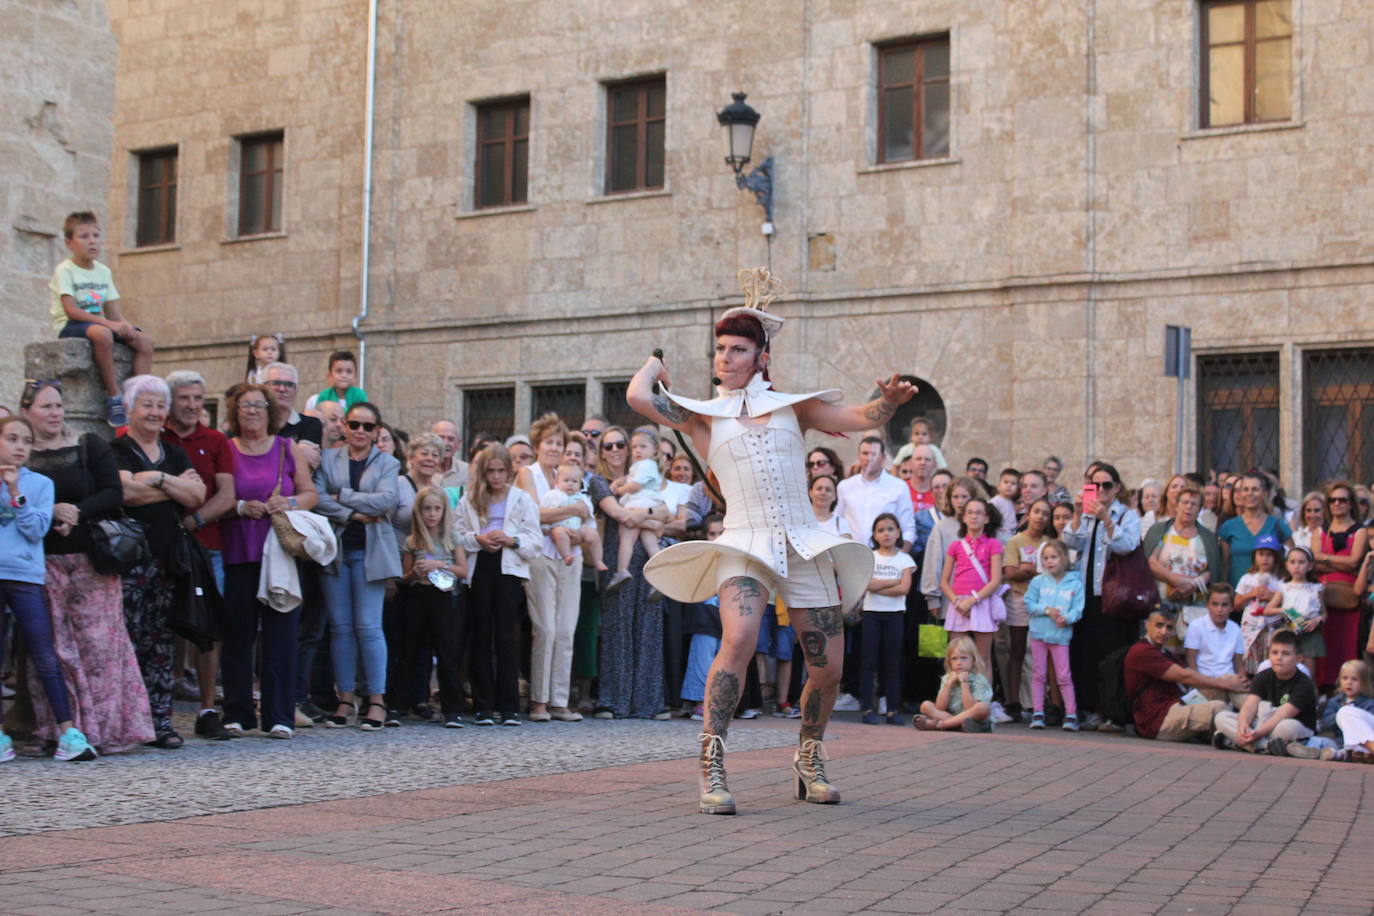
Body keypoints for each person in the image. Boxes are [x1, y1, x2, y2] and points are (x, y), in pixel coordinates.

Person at [628, 273, 911, 813]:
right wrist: (655, 363)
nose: (725, 359)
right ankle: (712, 764)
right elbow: (639, 396)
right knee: (738, 637)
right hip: (743, 544)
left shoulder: (792, 408)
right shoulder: (701, 417)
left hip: (805, 542)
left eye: (738, 350)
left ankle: (809, 757)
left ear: (761, 357)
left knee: (828, 665)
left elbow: (861, 417)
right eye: (720, 350)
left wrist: (888, 402)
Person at [21, 380, 152, 754]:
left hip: (90, 558)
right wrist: (50, 512)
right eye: (46, 407)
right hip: (41, 561)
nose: (55, 413)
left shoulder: (87, 443)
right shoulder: (22, 452)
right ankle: (63, 729)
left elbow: (113, 491)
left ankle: (108, 729)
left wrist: (78, 511)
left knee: (99, 646)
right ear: (27, 410)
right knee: (53, 648)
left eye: (59, 406)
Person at [111, 375, 207, 748]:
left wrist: (157, 478)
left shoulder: (174, 453)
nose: (154, 412)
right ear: (130, 409)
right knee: (127, 640)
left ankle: (159, 723)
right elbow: (124, 493)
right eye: (146, 404)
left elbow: (197, 495)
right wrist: (173, 490)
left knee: (160, 643)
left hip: (169, 560)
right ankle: (126, 721)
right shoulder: (115, 449)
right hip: (128, 559)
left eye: (159, 405)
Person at [219, 383, 318, 738]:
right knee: (237, 634)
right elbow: (215, 496)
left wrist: (287, 503)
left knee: (281, 634)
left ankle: (279, 714)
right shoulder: (226, 449)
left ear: (270, 412)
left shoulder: (285, 447)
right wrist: (241, 507)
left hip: (278, 551)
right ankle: (237, 712)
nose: (252, 412)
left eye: (259, 406)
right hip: (238, 549)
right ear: (235, 412)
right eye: (245, 406)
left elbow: (310, 494)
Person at [0, 415, 99, 763]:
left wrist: (15, 493)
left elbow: (35, 529)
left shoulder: (40, 483)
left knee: (45, 652)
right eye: (12, 439)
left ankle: (67, 732)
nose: (20, 447)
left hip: (26, 575)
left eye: (26, 441)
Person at [314, 402, 400, 731]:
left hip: (371, 551)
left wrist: (343, 497)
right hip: (335, 549)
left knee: (368, 627)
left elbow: (386, 500)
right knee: (340, 628)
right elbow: (318, 498)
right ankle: (345, 697)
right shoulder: (327, 459)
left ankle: (376, 699)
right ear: (345, 428)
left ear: (377, 431)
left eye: (367, 426)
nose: (360, 431)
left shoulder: (388, 462)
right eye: (354, 424)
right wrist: (353, 512)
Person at [161, 370, 236, 740]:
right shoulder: (153, 435)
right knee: (159, 625)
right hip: (161, 545)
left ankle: (207, 709)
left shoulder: (216, 440)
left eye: (197, 398)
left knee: (209, 627)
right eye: (184, 398)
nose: (191, 405)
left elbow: (227, 495)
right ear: (170, 401)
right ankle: (158, 706)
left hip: (208, 545)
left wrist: (196, 519)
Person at [454, 443, 541, 726]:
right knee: (481, 636)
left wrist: (511, 540)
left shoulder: (521, 499)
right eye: (490, 471)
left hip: (509, 568)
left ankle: (509, 705)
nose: (495, 477)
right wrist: (477, 539)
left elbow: (534, 542)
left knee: (506, 637)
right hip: (479, 566)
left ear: (509, 471)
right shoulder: (470, 498)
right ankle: (483, 705)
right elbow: (456, 534)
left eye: (500, 471)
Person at [585, 425, 668, 721]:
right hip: (615, 555)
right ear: (601, 452)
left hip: (644, 555)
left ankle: (648, 702)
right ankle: (612, 701)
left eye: (621, 444)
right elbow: (618, 513)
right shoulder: (598, 481)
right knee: (617, 628)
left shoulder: (643, 476)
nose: (616, 450)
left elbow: (665, 514)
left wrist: (651, 517)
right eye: (608, 446)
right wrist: (650, 518)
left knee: (649, 624)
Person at [48, 212, 155, 427]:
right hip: (72, 325)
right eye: (84, 236)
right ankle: (114, 395)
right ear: (69, 242)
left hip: (99, 323)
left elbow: (112, 311)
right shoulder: (65, 270)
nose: (92, 241)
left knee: (144, 342)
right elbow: (72, 311)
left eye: (96, 236)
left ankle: (137, 394)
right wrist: (110, 325)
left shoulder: (103, 272)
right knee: (103, 334)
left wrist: (124, 326)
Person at [516, 413, 589, 723]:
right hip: (541, 558)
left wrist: (578, 525)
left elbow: (588, 520)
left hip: (571, 556)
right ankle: (539, 700)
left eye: (559, 443)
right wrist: (572, 509)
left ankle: (560, 701)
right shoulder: (527, 474)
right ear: (537, 444)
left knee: (566, 629)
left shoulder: (569, 475)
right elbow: (536, 515)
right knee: (544, 628)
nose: (554, 448)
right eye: (549, 442)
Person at [1062, 462, 1142, 731]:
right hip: (1086, 594)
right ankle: (1089, 709)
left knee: (1114, 654)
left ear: (1117, 488)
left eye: (1107, 485)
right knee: (1086, 653)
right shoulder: (1085, 513)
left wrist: (1107, 519)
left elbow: (1126, 546)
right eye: (1095, 485)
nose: (1101, 490)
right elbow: (1071, 543)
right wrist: (1076, 513)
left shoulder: (1127, 515)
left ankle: (1114, 712)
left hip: (1115, 596)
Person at [400, 486, 468, 729]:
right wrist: (414, 573)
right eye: (427, 509)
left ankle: (452, 709)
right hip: (419, 595)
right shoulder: (412, 541)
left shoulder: (452, 537)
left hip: (445, 596)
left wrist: (440, 565)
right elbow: (405, 576)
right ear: (419, 512)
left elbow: (463, 570)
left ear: (444, 511)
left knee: (447, 652)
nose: (432, 514)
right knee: (413, 650)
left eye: (437, 508)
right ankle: (403, 703)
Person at [1124, 607, 1247, 741]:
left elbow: (1189, 674)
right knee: (1219, 707)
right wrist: (1228, 685)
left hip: (1178, 704)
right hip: (1158, 720)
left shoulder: (1165, 652)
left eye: (1169, 627)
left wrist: (1228, 683)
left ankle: (1259, 718)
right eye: (1159, 625)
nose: (1164, 632)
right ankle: (1251, 738)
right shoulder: (1141, 651)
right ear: (1147, 625)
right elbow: (1185, 676)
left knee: (1230, 678)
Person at [1212, 630, 1316, 755]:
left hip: (1286, 726)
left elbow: (1281, 715)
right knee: (1221, 717)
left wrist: (1258, 733)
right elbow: (1250, 705)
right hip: (1262, 724)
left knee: (1287, 727)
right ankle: (1266, 746)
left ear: (1298, 659)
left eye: (1286, 654)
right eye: (1274, 652)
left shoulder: (1304, 684)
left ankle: (1238, 743)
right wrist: (1243, 726)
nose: (1279, 658)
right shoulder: (1263, 676)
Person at [1001, 498, 1056, 720]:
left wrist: (1029, 569)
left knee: (1039, 654)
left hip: (1042, 601)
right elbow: (1011, 573)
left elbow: (1051, 572)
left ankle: (1036, 702)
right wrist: (1036, 571)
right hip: (1018, 599)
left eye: (1045, 513)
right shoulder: (1015, 541)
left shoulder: (1049, 542)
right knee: (1017, 651)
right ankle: (1013, 700)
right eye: (1036, 511)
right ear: (1028, 514)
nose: (1040, 517)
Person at [1145, 483, 1218, 643]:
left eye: (1194, 504)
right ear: (1176, 505)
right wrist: (1178, 582)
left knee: (1192, 650)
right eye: (1184, 502)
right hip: (1162, 603)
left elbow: (1213, 569)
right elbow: (1151, 561)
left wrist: (1192, 585)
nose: (1188, 507)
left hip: (1195, 606)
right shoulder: (1160, 530)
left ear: (1199, 509)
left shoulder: (1207, 537)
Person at [940, 497, 1004, 675]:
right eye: (970, 512)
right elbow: (944, 581)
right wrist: (957, 601)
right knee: (956, 657)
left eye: (979, 513)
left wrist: (973, 600)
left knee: (983, 659)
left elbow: (996, 579)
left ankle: (983, 701)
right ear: (964, 517)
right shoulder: (955, 546)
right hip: (958, 604)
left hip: (981, 602)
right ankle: (956, 700)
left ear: (987, 518)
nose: (974, 516)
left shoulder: (993, 544)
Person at [860, 513, 914, 725]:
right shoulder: (869, 557)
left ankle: (893, 709)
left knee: (892, 663)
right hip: (872, 614)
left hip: (895, 616)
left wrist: (879, 584)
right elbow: (867, 585)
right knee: (868, 662)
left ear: (898, 532)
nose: (886, 533)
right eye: (881, 530)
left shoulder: (905, 559)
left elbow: (904, 588)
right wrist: (893, 581)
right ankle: (867, 708)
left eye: (891, 529)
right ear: (874, 534)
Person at [1312, 480, 1368, 687]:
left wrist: (1324, 558)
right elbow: (1313, 562)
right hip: (1322, 603)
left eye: (1342, 500)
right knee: (1324, 652)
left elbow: (1355, 562)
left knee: (1346, 648)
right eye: (1333, 500)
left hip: (1348, 602)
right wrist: (1342, 565)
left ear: (1351, 503)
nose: (1337, 504)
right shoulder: (1320, 530)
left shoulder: (1359, 531)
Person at [1024, 539, 1083, 730]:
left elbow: (1078, 609)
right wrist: (1046, 610)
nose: (1050, 561)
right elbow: (1029, 604)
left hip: (1060, 636)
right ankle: (1038, 712)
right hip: (1038, 634)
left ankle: (1071, 714)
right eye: (1046, 558)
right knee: (1038, 674)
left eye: (1054, 557)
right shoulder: (1038, 582)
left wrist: (1067, 618)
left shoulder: (1075, 583)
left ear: (1065, 558)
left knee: (1064, 676)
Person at [606, 427, 667, 593]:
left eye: (642, 446)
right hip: (647, 506)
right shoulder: (645, 466)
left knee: (626, 540)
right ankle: (659, 579)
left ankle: (621, 571)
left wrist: (620, 490)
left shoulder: (646, 465)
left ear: (655, 449)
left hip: (635, 506)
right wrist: (620, 480)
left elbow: (634, 485)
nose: (637, 450)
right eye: (634, 447)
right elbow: (632, 476)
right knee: (651, 544)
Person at [1288, 659, 1374, 761]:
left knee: (1346, 712)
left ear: (1364, 683)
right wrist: (1338, 716)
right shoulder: (1335, 701)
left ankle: (1343, 754)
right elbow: (1326, 723)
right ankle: (1327, 753)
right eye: (1345, 678)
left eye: (1354, 679)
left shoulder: (1369, 703)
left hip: (1362, 744)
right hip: (1339, 742)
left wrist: (1349, 712)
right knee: (1318, 741)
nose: (1349, 682)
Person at [1218, 472, 1292, 586]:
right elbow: (1224, 565)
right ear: (1240, 494)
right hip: (1238, 595)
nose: (1250, 493)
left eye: (1255, 489)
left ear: (1264, 493)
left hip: (1271, 595)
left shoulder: (1278, 525)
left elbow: (1292, 561)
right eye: (1246, 489)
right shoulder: (1228, 527)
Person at [1184, 584, 1248, 708]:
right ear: (1207, 605)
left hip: (1230, 685)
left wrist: (1243, 683)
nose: (1220, 609)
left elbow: (1239, 665)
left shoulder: (1235, 629)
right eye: (1215, 604)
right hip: (1205, 684)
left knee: (1248, 696)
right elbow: (1192, 666)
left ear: (1231, 607)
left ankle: (1259, 716)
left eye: (1224, 605)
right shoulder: (1196, 626)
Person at [1262, 546, 1325, 673]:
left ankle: (1309, 692)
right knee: (1285, 668)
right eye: (1293, 562)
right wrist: (1285, 610)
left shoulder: (1316, 588)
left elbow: (1324, 612)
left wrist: (1317, 620)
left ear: (1310, 566)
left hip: (1309, 631)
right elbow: (1267, 610)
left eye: (1301, 562)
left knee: (1308, 674)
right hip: (1289, 628)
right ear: (1287, 565)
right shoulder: (1284, 587)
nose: (1297, 566)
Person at [913, 635, 993, 732]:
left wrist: (964, 683)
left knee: (982, 707)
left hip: (973, 720)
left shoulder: (979, 680)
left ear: (973, 660)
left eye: (964, 658)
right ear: (949, 662)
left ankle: (939, 725)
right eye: (954, 659)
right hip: (951, 715)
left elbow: (969, 708)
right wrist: (948, 684)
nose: (958, 662)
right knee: (925, 705)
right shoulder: (947, 678)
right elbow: (940, 707)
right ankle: (956, 725)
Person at [1237, 534, 1284, 673]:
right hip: (1250, 626)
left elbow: (1289, 606)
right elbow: (1236, 605)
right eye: (1261, 554)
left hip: (1272, 627)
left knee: (1270, 660)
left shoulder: (1282, 580)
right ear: (1254, 556)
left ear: (1276, 557)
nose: (1265, 558)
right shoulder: (1247, 578)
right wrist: (1250, 594)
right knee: (1249, 661)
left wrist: (1273, 597)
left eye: (1269, 554)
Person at [543, 463, 604, 571]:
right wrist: (546, 528)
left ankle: (598, 560)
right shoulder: (552, 495)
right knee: (559, 533)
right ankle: (566, 555)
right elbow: (545, 509)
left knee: (593, 534)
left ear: (580, 484)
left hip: (578, 526)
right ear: (557, 482)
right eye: (566, 481)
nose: (570, 484)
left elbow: (589, 514)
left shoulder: (582, 497)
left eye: (574, 481)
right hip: (559, 525)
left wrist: (591, 527)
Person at [809, 474, 850, 539]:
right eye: (819, 489)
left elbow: (846, 548)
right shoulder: (799, 521)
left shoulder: (842, 524)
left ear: (835, 496)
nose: (823, 492)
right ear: (810, 493)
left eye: (828, 490)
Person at [432, 420, 469, 490]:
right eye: (440, 438)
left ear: (458, 444)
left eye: (451, 439)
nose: (445, 443)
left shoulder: (467, 472)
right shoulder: (422, 468)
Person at [990, 468, 1021, 543]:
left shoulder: (1013, 502)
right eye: (1006, 482)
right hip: (999, 534)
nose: (1009, 485)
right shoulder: (995, 502)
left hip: (1012, 533)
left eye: (1013, 483)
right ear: (999, 485)